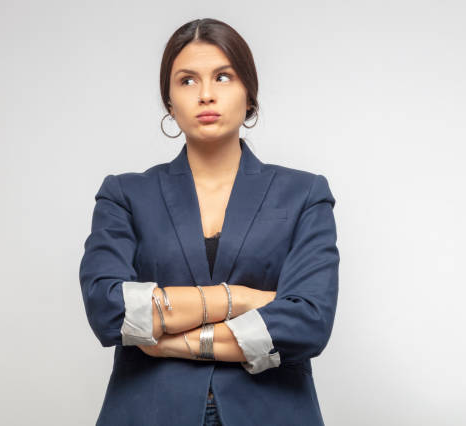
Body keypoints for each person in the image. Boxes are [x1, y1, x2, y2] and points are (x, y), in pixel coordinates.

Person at [79, 18, 339, 426]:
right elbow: (108, 309)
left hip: (272, 414)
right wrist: (242, 298)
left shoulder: (304, 194)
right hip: (148, 413)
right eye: (186, 80)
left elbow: (308, 323)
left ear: (249, 93)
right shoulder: (125, 195)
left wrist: (167, 340)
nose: (205, 94)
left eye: (223, 76)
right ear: (169, 102)